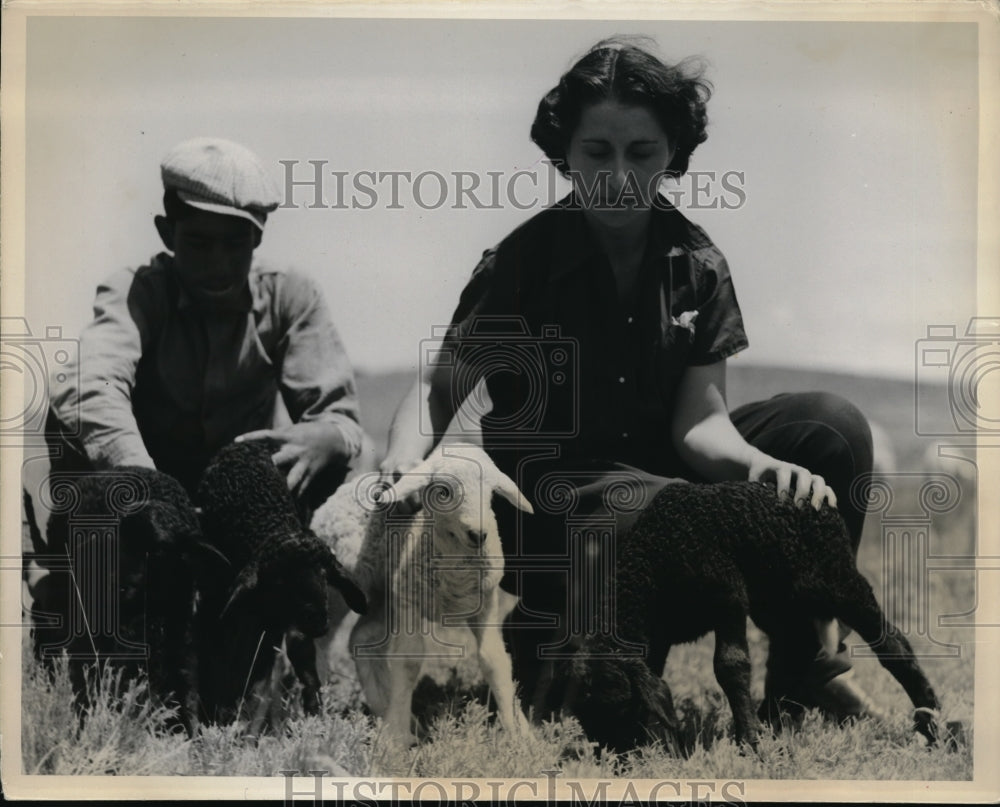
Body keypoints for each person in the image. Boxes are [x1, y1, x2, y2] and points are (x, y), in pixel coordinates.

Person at [380, 39, 883, 726]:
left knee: (830, 430)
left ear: (672, 153)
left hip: (664, 481)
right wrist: (403, 461)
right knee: (618, 663)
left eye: (641, 153)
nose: (618, 174)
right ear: (566, 154)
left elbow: (698, 424)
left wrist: (763, 465)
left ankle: (803, 669)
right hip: (557, 505)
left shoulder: (698, 264)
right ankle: (555, 628)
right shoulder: (521, 264)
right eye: (596, 152)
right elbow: (438, 385)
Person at [43, 136, 365, 507]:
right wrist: (149, 487)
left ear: (257, 238)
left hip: (241, 497)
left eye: (234, 245)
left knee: (343, 476)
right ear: (167, 233)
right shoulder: (136, 292)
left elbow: (340, 420)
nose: (218, 264)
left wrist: (326, 437)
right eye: (199, 244)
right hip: (147, 494)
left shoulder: (291, 295)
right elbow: (88, 387)